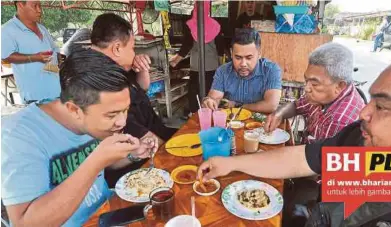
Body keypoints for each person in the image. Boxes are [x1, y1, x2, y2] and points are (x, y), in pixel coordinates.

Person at [198, 43, 391, 227]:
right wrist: (229, 163)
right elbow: (303, 158)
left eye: (383, 107)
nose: (364, 111)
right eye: (371, 99)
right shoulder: (360, 137)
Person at [1, 50, 158, 226]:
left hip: (107, 214)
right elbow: (24, 223)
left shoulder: (93, 118)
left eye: (125, 110)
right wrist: (95, 162)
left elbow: (102, 161)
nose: (122, 122)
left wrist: (132, 154)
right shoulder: (19, 137)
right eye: (112, 115)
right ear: (74, 110)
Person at [84, 13, 177, 187]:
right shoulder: (96, 80)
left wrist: (142, 70)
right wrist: (171, 157)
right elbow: (130, 128)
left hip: (150, 138)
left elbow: (140, 91)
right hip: (134, 166)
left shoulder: (116, 66)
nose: (134, 53)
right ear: (117, 48)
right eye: (133, 47)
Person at [264, 43, 365, 144]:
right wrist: (279, 114)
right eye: (306, 80)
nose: (307, 88)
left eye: (314, 84)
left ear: (340, 86)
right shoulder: (325, 95)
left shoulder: (338, 121)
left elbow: (316, 158)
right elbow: (297, 105)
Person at [202, 28, 282, 114]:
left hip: (259, 124)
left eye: (249, 58)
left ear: (259, 54)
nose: (243, 64)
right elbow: (215, 97)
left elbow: (271, 106)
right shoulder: (223, 71)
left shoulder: (271, 70)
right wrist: (209, 101)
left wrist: (237, 105)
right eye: (238, 57)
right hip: (229, 124)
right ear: (231, 53)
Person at [169, 0, 225, 114]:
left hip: (196, 66)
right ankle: (210, 114)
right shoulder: (215, 25)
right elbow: (220, 49)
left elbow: (187, 45)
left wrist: (175, 61)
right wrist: (220, 66)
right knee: (210, 93)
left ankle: (196, 115)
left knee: (195, 93)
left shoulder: (192, 25)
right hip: (212, 66)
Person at [1, 0, 61, 104]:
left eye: (40, 5)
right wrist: (34, 57)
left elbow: (54, 49)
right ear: (20, 5)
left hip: (56, 92)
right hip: (35, 97)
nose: (39, 10)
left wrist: (60, 59)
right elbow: (6, 57)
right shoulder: (8, 30)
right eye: (35, 6)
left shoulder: (42, 28)